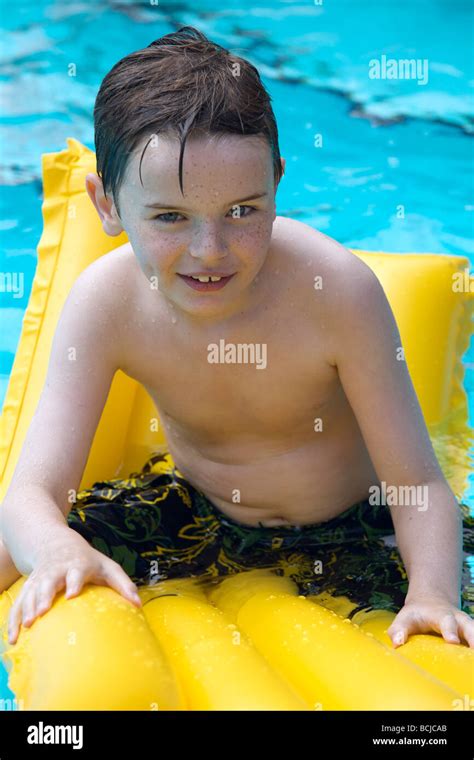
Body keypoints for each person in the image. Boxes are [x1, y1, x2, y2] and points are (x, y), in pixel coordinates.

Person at [1, 26, 472, 650]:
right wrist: (59, 549)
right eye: (170, 217)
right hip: (197, 514)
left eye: (243, 212)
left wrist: (434, 595)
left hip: (360, 527)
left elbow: (418, 486)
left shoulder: (337, 292)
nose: (210, 251)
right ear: (106, 203)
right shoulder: (104, 303)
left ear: (277, 183)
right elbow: (30, 491)